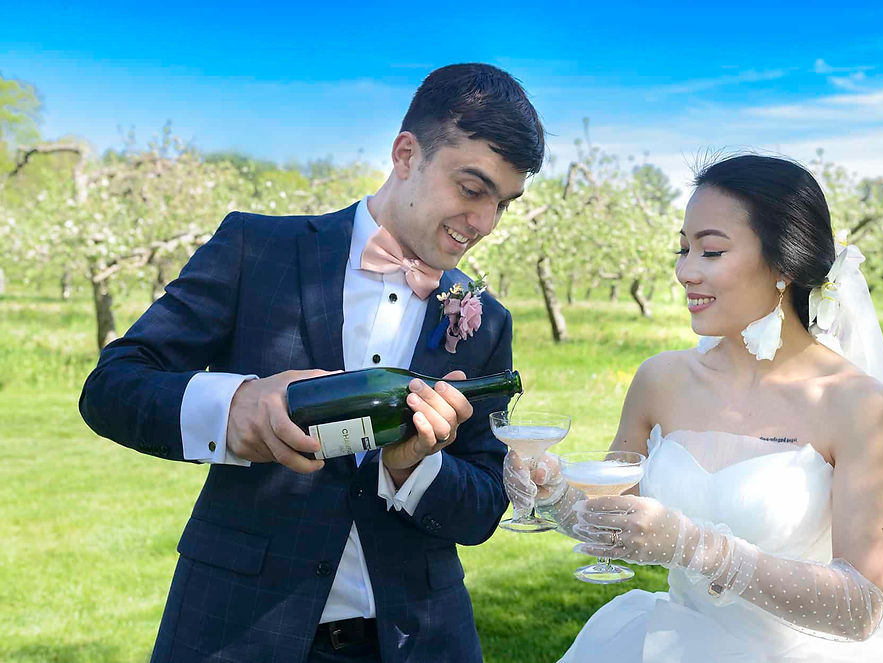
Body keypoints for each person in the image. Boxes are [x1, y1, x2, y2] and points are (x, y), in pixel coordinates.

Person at [79, 63, 544, 663]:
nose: (483, 224)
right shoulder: (256, 249)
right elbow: (113, 386)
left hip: (420, 640)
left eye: (503, 204)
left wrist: (413, 470)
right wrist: (236, 406)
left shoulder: (484, 318)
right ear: (406, 154)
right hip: (238, 628)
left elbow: (482, 506)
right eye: (472, 189)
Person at [506, 155, 883, 662]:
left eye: (711, 251)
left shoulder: (858, 405)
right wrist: (555, 493)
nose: (684, 271)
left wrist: (700, 549)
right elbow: (616, 522)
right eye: (683, 249)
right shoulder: (661, 380)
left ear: (784, 263)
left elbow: (862, 607)